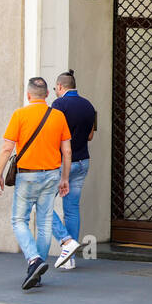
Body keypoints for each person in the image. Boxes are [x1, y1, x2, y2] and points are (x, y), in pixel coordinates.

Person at [0, 77, 72, 290]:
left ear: (28, 95)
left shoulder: (19, 115)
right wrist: (64, 178)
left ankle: (34, 260)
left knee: (19, 219)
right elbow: (67, 151)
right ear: (47, 94)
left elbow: (6, 149)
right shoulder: (58, 116)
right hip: (51, 175)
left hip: (27, 176)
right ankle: (36, 272)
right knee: (45, 222)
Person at [50, 70, 96, 271]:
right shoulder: (89, 106)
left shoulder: (59, 105)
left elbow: (53, 135)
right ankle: (69, 259)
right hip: (82, 161)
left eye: (54, 89)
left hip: (63, 164)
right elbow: (90, 137)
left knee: (41, 203)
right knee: (72, 209)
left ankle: (65, 240)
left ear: (60, 87)